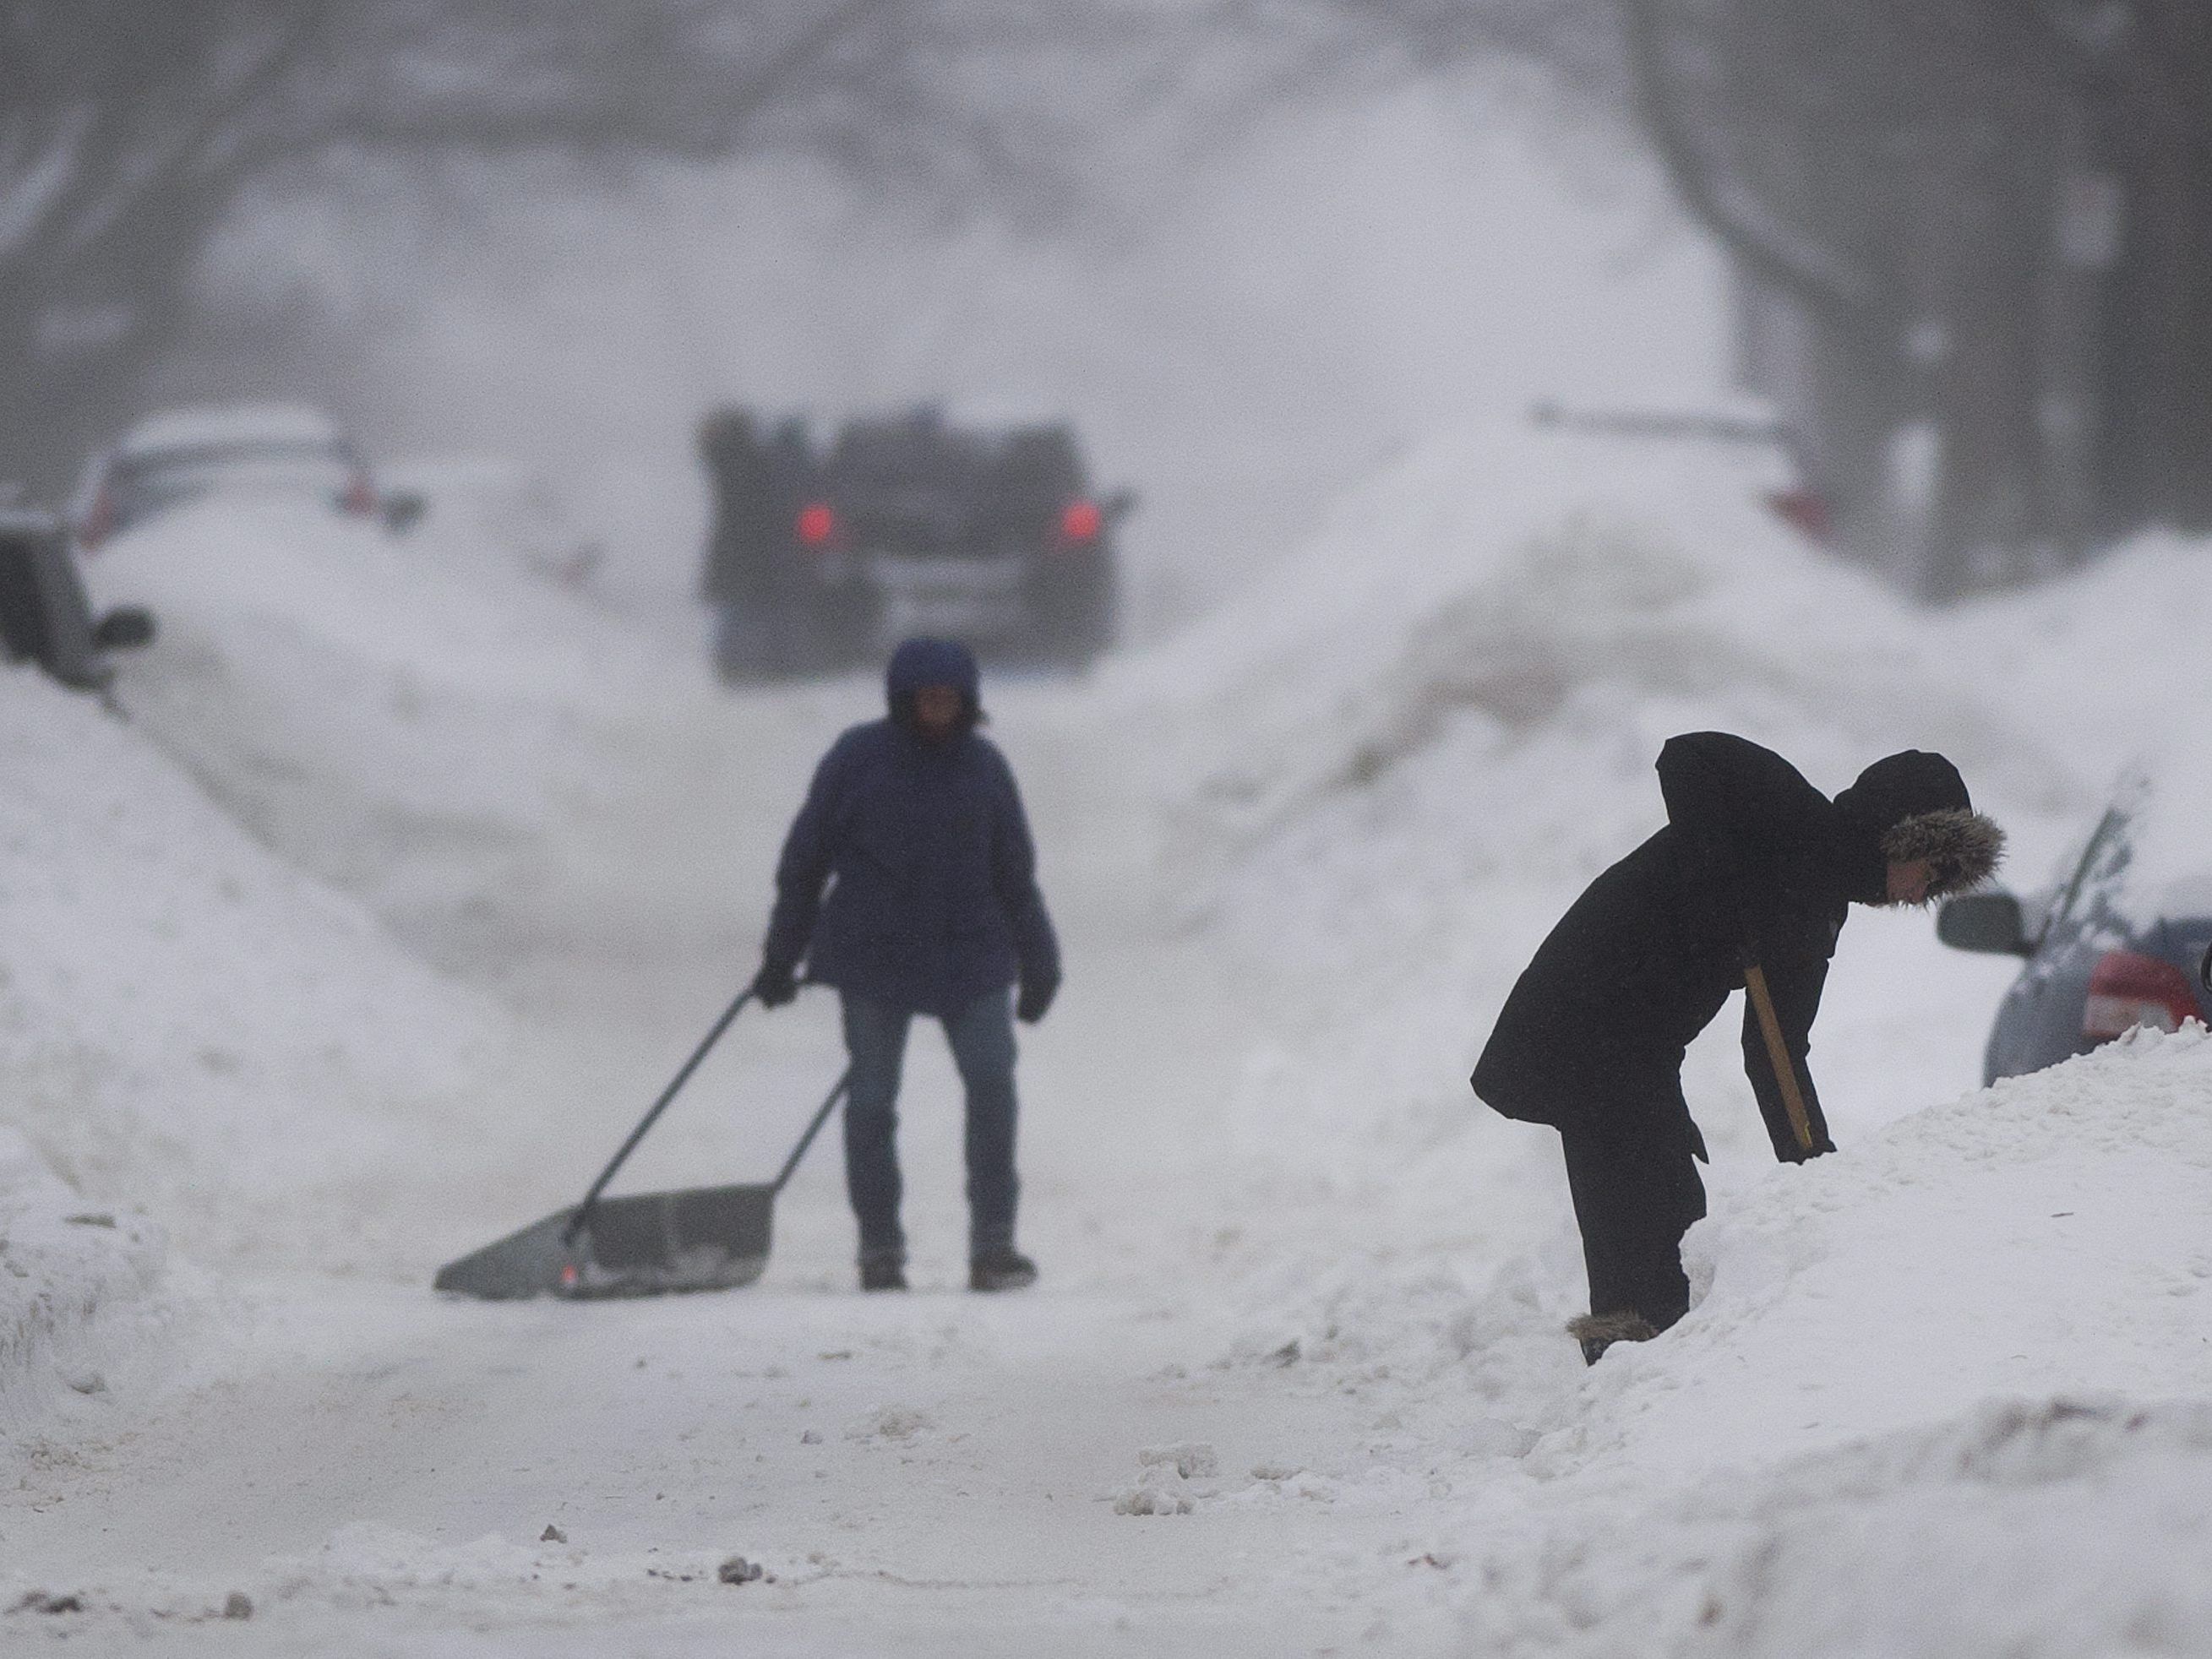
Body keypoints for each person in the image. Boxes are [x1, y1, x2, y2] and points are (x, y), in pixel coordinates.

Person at [1471, 732, 2003, 1363]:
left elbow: (1776, 1052)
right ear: (1899, 835)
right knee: (1646, 1192)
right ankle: (1635, 1365)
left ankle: (1631, 1360)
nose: (1924, 893)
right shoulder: (1791, 820)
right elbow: (1687, 755)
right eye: (1934, 869)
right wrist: (1716, 870)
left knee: (1659, 1198)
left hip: (1630, 1044)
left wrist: (1816, 1175)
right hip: (1582, 1015)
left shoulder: (1815, 913)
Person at [752, 637, 1061, 1292]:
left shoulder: (985, 769)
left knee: (992, 1090)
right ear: (903, 700)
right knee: (870, 1102)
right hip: (874, 955)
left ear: (969, 702)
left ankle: (994, 1247)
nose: (938, 709)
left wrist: (1041, 962)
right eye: (927, 698)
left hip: (971, 954)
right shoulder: (857, 760)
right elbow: (804, 864)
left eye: (950, 698)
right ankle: (880, 1251)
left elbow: (1016, 875)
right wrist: (782, 955)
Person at [697, 407, 782, 681]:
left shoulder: (727, 460)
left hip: (733, 548)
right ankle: (744, 664)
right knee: (747, 609)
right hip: (749, 547)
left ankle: (734, 664)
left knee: (738, 609)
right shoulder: (748, 460)